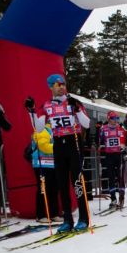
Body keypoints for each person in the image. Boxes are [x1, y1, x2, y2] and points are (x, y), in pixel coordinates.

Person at [25, 74, 91, 233]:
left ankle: (83, 219)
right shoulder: (47, 105)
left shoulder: (74, 102)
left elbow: (87, 124)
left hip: (73, 143)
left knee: (76, 182)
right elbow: (39, 128)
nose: (61, 86)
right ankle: (68, 220)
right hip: (58, 145)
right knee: (62, 184)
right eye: (57, 84)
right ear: (50, 87)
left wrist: (77, 110)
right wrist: (31, 111)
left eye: (63, 83)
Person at [99, 111, 127, 208]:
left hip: (119, 155)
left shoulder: (121, 129)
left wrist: (125, 151)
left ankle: (121, 197)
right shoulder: (103, 129)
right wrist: (97, 145)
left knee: (120, 176)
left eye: (117, 118)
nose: (115, 120)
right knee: (110, 176)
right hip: (109, 155)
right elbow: (100, 140)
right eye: (113, 118)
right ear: (108, 119)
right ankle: (113, 198)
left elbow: (126, 141)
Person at [31, 122, 60, 222]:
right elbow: (44, 146)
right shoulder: (42, 129)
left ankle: (53, 213)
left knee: (54, 189)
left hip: (51, 164)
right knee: (43, 189)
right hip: (41, 164)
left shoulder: (54, 131)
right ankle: (41, 215)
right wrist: (59, 147)